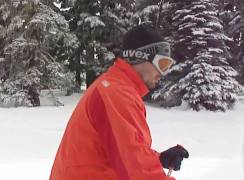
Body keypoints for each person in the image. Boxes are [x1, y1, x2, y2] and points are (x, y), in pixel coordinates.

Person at [49, 24, 189, 180]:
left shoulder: (118, 88)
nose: (162, 73)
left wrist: (158, 158)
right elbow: (137, 171)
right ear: (139, 57)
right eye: (162, 64)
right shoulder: (115, 93)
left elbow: (124, 151)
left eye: (168, 66)